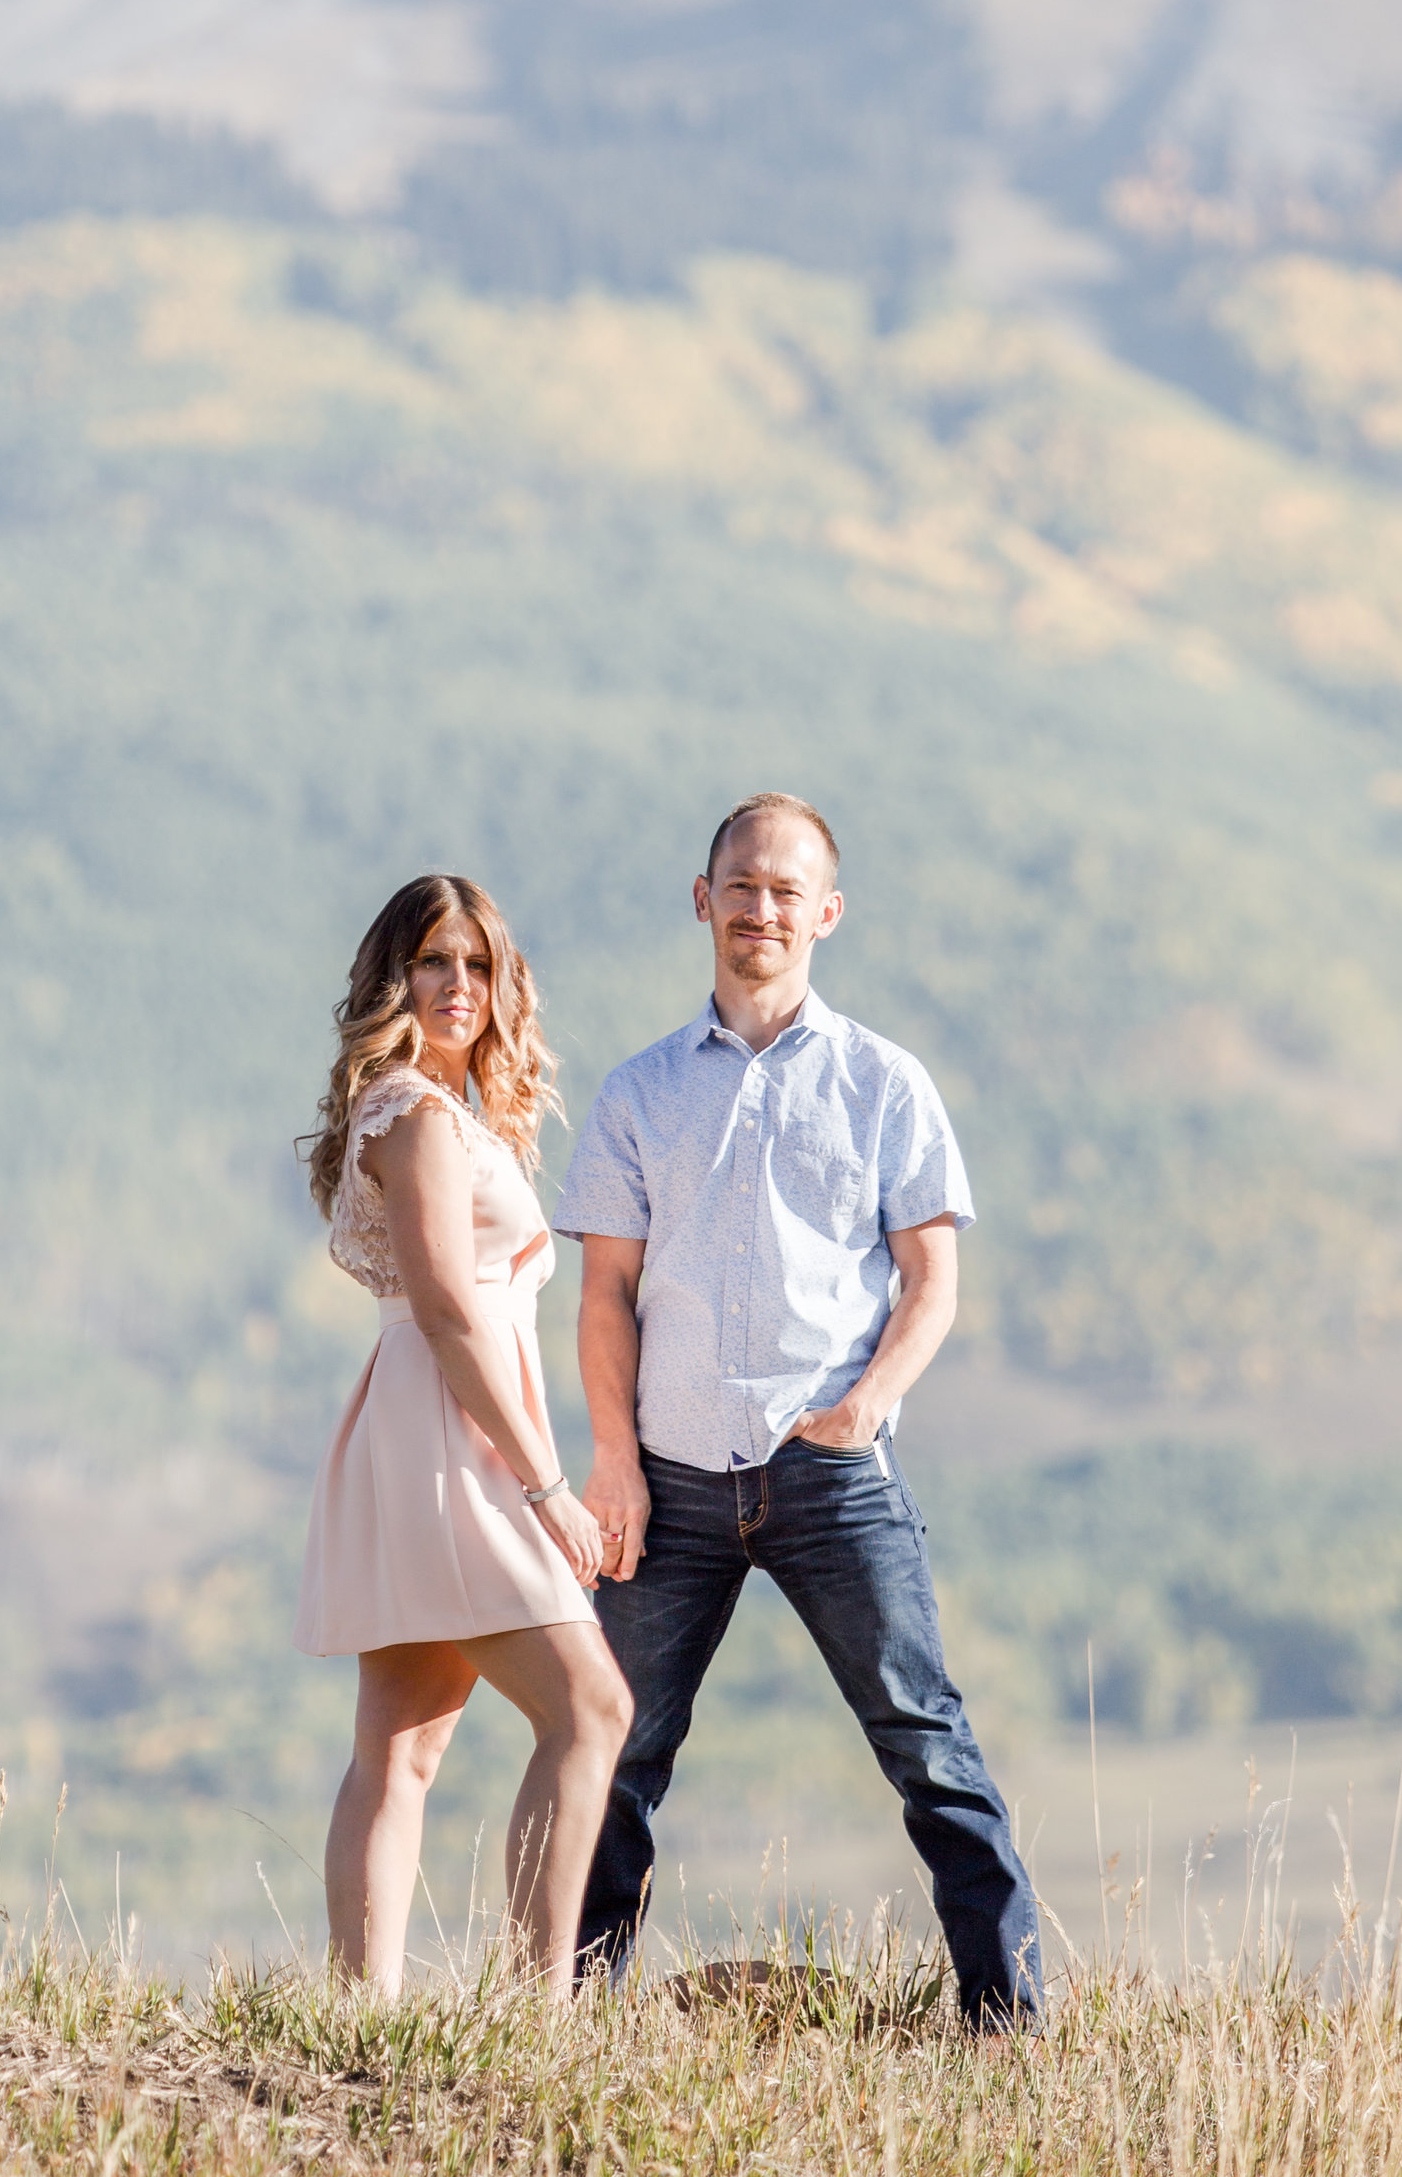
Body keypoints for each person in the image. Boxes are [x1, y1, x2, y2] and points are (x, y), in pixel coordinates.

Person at [554, 792, 1044, 2024]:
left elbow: (933, 1281)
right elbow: (604, 1294)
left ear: (825, 913)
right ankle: (570, 2019)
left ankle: (1011, 2024)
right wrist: (611, 1460)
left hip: (829, 1470)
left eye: (785, 890)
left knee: (924, 1743)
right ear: (702, 898)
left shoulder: (884, 1083)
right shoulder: (637, 1093)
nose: (759, 908)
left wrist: (868, 1406)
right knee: (613, 1751)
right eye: (740, 883)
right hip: (666, 1478)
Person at [296, 872, 633, 1993]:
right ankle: (538, 2010)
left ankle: (361, 2016)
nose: (457, 985)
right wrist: (547, 1486)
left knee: (401, 1744)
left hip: (422, 1419)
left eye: (477, 964)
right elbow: (446, 1310)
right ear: (395, 977)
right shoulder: (417, 1115)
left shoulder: (422, 1110)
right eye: (434, 961)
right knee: (590, 1705)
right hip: (455, 1435)